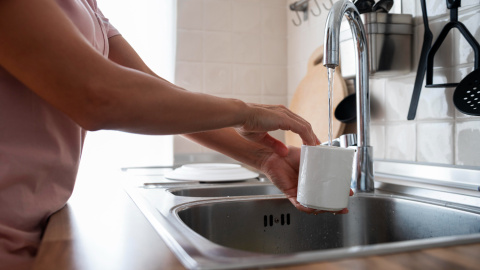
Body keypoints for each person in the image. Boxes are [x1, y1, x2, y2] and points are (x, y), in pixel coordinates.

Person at [0, 0, 351, 268]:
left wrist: (265, 156)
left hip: (32, 231)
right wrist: (246, 112)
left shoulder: (87, 5)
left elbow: (155, 92)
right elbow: (99, 95)